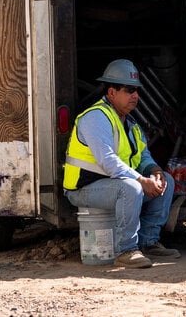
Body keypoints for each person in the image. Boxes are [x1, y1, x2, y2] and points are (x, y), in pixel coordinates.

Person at [63, 59, 179, 268]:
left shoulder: (131, 123)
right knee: (131, 188)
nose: (135, 95)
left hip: (111, 185)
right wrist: (141, 180)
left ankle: (149, 242)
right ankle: (126, 250)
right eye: (129, 90)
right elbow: (108, 161)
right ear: (111, 92)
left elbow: (143, 156)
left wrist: (155, 171)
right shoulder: (96, 117)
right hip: (83, 188)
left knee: (167, 181)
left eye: (137, 90)